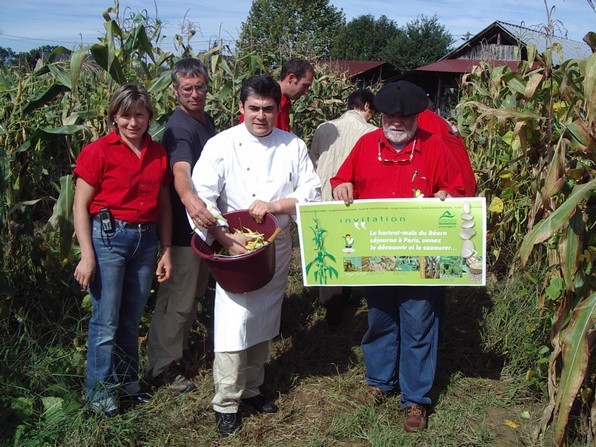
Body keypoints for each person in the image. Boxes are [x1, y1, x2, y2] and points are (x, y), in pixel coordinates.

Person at [330, 80, 465, 432]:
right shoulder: (364, 145)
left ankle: (416, 399)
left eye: (405, 116)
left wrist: (447, 194)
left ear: (417, 116)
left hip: (422, 256)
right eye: (391, 115)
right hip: (376, 254)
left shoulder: (435, 146)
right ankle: (378, 382)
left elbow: (461, 186)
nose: (398, 121)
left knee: (419, 322)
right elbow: (342, 178)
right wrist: (340, 185)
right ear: (380, 115)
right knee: (380, 318)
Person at [190, 75, 321, 436]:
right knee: (234, 321)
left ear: (278, 110)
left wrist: (276, 204)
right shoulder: (222, 145)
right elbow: (202, 196)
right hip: (234, 245)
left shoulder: (292, 145)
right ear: (241, 108)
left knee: (266, 314)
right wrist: (223, 235)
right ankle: (226, 400)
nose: (261, 116)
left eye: (268, 109)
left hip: (275, 242)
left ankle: (252, 388)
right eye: (254, 108)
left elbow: (311, 192)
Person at [73, 83, 173, 417]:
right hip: (109, 238)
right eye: (126, 115)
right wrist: (87, 254)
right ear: (114, 116)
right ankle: (100, 397)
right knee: (105, 322)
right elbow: (80, 205)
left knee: (130, 320)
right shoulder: (98, 151)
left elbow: (164, 205)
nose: (133, 122)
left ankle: (129, 387)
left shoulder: (158, 153)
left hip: (145, 241)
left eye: (140, 115)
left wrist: (166, 247)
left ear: (149, 117)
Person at [145, 58, 217, 394]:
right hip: (182, 232)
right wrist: (190, 200)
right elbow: (180, 171)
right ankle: (162, 366)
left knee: (192, 295)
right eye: (187, 89)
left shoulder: (204, 120)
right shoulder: (180, 128)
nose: (195, 94)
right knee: (178, 301)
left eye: (199, 87)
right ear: (174, 91)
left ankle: (178, 352)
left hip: (200, 229)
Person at [309, 88, 377, 326]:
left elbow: (314, 160)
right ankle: (357, 295)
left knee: (327, 250)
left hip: (324, 197)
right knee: (351, 247)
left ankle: (331, 306)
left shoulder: (324, 127)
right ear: (367, 106)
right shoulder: (373, 133)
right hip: (352, 200)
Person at [239, 58, 314, 131]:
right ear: (291, 78)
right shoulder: (260, 101)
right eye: (305, 85)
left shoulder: (285, 102)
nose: (306, 91)